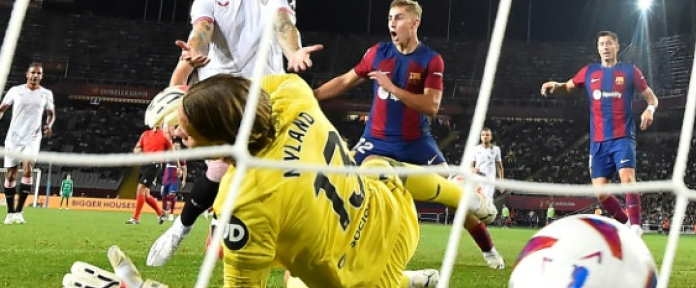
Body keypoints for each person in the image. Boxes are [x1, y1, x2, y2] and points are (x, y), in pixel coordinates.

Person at [167, 73, 470, 287]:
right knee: (379, 165)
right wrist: (203, 98)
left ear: (221, 140)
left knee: (295, 276)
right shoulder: (292, 91)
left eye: (188, 132)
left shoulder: (242, 203)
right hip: (396, 223)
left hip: (363, 281)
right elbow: (249, 90)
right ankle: (470, 203)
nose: (180, 136)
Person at [148, 0, 321, 266]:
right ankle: (184, 228)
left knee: (271, 169)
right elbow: (202, 29)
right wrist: (194, 51)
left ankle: (219, 224)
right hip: (222, 97)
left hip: (265, 94)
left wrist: (293, 53)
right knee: (220, 167)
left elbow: (284, 24)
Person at [314, 0, 503, 269]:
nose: (392, 22)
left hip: (415, 144)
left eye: (399, 17)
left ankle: (488, 249)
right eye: (390, 17)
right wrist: (311, 97)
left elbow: (432, 106)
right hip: (375, 143)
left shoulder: (429, 59)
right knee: (341, 188)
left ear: (415, 23)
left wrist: (391, 87)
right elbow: (345, 80)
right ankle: (333, 248)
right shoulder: (377, 54)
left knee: (452, 200)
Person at [540, 31, 658, 236]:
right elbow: (568, 87)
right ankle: (626, 223)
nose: (605, 47)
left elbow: (651, 98)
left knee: (627, 178)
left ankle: (637, 228)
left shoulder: (630, 71)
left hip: (623, 136)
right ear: (598, 48)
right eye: (602, 44)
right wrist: (555, 85)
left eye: (609, 43)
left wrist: (650, 110)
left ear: (617, 47)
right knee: (600, 192)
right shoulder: (589, 72)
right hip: (598, 141)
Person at [0, 62, 55, 225]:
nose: (35, 76)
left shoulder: (46, 94)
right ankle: (10, 212)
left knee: (28, 169)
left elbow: (51, 114)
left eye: (39, 74)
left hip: (33, 137)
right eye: (33, 73)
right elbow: (0, 110)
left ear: (42, 76)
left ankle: (19, 212)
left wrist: (48, 125)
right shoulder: (16, 91)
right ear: (27, 74)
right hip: (13, 137)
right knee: (11, 174)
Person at [127, 124, 172, 224]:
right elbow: (137, 148)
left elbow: (172, 152)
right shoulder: (145, 134)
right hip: (145, 164)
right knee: (146, 194)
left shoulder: (165, 136)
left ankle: (135, 218)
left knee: (140, 189)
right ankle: (161, 214)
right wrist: (140, 152)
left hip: (154, 164)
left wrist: (179, 166)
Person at [470, 127, 503, 203]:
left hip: (489, 180)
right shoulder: (475, 149)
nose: (485, 137)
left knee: (487, 201)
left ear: (491, 137)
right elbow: (470, 165)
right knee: (477, 201)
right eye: (483, 135)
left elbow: (499, 167)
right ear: (481, 137)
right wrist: (473, 169)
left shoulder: (496, 149)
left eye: (487, 135)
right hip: (477, 179)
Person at [160, 142, 187, 221]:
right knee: (164, 196)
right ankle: (164, 212)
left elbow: (184, 168)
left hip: (174, 178)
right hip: (166, 177)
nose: (176, 147)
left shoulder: (181, 157)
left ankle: (171, 213)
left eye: (178, 146)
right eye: (175, 146)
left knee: (171, 195)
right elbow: (162, 164)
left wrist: (184, 179)